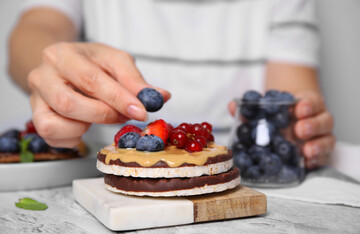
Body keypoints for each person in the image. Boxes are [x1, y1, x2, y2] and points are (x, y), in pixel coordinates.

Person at [8, 0, 334, 169]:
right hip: (101, 181)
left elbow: (287, 108)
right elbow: (35, 30)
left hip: (234, 180)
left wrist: (299, 131)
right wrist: (50, 69)